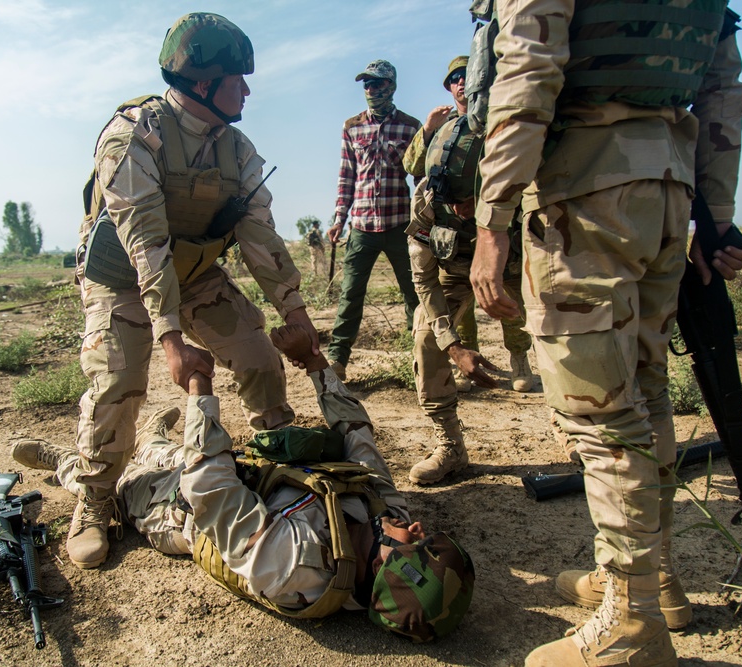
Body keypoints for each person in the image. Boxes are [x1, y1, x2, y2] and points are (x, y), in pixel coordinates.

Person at [470, 2, 742, 665]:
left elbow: (529, 67)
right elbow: (723, 87)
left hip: (584, 191)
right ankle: (653, 579)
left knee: (599, 412)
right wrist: (715, 214)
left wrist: (493, 217)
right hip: (668, 188)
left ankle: (631, 621)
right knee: (645, 388)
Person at [11, 325, 474, 641]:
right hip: (240, 471)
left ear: (392, 574)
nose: (415, 529)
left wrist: (199, 388)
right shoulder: (384, 520)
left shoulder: (296, 566)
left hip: (177, 509)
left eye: (418, 545)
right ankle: (153, 437)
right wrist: (315, 363)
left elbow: (206, 485)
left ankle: (68, 466)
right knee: (167, 450)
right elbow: (360, 441)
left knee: (119, 481)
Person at [71, 12, 318, 571]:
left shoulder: (237, 149)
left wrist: (296, 312)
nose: (248, 90)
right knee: (117, 385)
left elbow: (259, 236)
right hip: (126, 280)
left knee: (257, 352)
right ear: (203, 83)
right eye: (238, 79)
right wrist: (171, 338)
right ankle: (93, 499)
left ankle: (275, 455)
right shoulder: (132, 137)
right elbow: (146, 244)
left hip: (197, 274)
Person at [403, 55, 535, 396]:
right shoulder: (427, 206)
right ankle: (448, 435)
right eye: (455, 200)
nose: (463, 208)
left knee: (527, 310)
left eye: (473, 199)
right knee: (426, 333)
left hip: (512, 252)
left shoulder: (504, 129)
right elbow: (424, 280)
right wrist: (452, 346)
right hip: (458, 260)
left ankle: (522, 359)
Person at [326, 60, 421, 381]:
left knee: (415, 294)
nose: (371, 90)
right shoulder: (351, 127)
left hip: (400, 226)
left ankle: (424, 358)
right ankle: (337, 361)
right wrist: (339, 218)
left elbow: (421, 177)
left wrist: (426, 219)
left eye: (377, 84)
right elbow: (346, 178)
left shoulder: (411, 127)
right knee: (350, 294)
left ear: (391, 86)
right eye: (366, 84)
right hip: (362, 228)